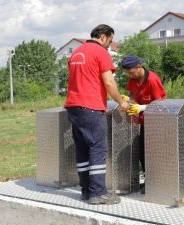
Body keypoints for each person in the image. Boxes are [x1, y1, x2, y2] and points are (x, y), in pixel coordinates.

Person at [65, 24, 129, 205]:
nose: (110, 44)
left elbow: (83, 80)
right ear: (103, 36)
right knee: (97, 148)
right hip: (91, 107)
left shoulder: (76, 52)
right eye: (110, 40)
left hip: (74, 107)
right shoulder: (100, 52)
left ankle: (86, 191)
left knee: (82, 149)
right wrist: (121, 102)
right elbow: (108, 82)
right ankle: (98, 193)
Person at [121, 55, 167, 193]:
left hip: (156, 122)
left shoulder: (152, 80)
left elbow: (160, 104)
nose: (130, 75)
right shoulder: (133, 80)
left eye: (131, 72)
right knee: (142, 153)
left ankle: (156, 183)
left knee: (153, 153)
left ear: (139, 67)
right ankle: (149, 181)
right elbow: (133, 95)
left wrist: (142, 108)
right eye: (128, 73)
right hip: (143, 122)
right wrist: (129, 100)